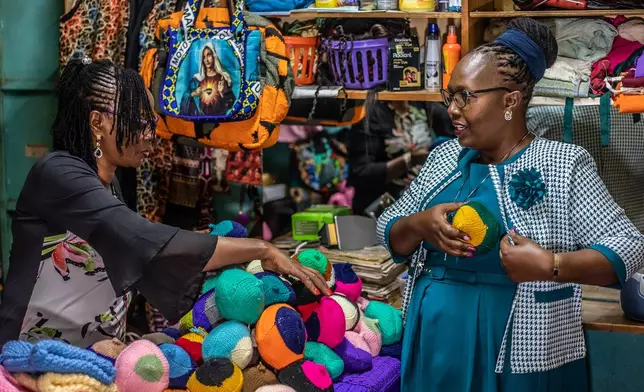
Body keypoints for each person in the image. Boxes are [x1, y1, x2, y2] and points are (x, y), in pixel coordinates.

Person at [376, 18, 644, 392]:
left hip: (520, 346)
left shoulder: (562, 164)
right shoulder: (444, 158)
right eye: (449, 96)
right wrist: (418, 225)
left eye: (465, 96)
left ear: (510, 100)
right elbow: (389, 228)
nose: (452, 109)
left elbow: (629, 246)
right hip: (436, 339)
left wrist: (552, 265)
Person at [0, 59, 330, 347]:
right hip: (31, 357)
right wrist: (261, 248)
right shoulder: (57, 173)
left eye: (151, 123)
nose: (149, 135)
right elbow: (140, 239)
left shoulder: (109, 182)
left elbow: (133, 247)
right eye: (138, 122)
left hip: (89, 361)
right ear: (97, 122)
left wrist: (204, 242)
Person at [348, 101, 447, 216]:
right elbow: (362, 172)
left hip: (421, 207)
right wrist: (409, 160)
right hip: (382, 210)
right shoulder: (371, 114)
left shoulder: (422, 104)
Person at [181, 43, 232, 116]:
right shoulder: (197, 79)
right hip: (199, 119)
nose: (206, 60)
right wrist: (193, 94)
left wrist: (222, 93)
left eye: (209, 55)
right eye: (204, 57)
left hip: (219, 119)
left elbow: (230, 104)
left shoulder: (222, 78)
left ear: (214, 56)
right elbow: (185, 97)